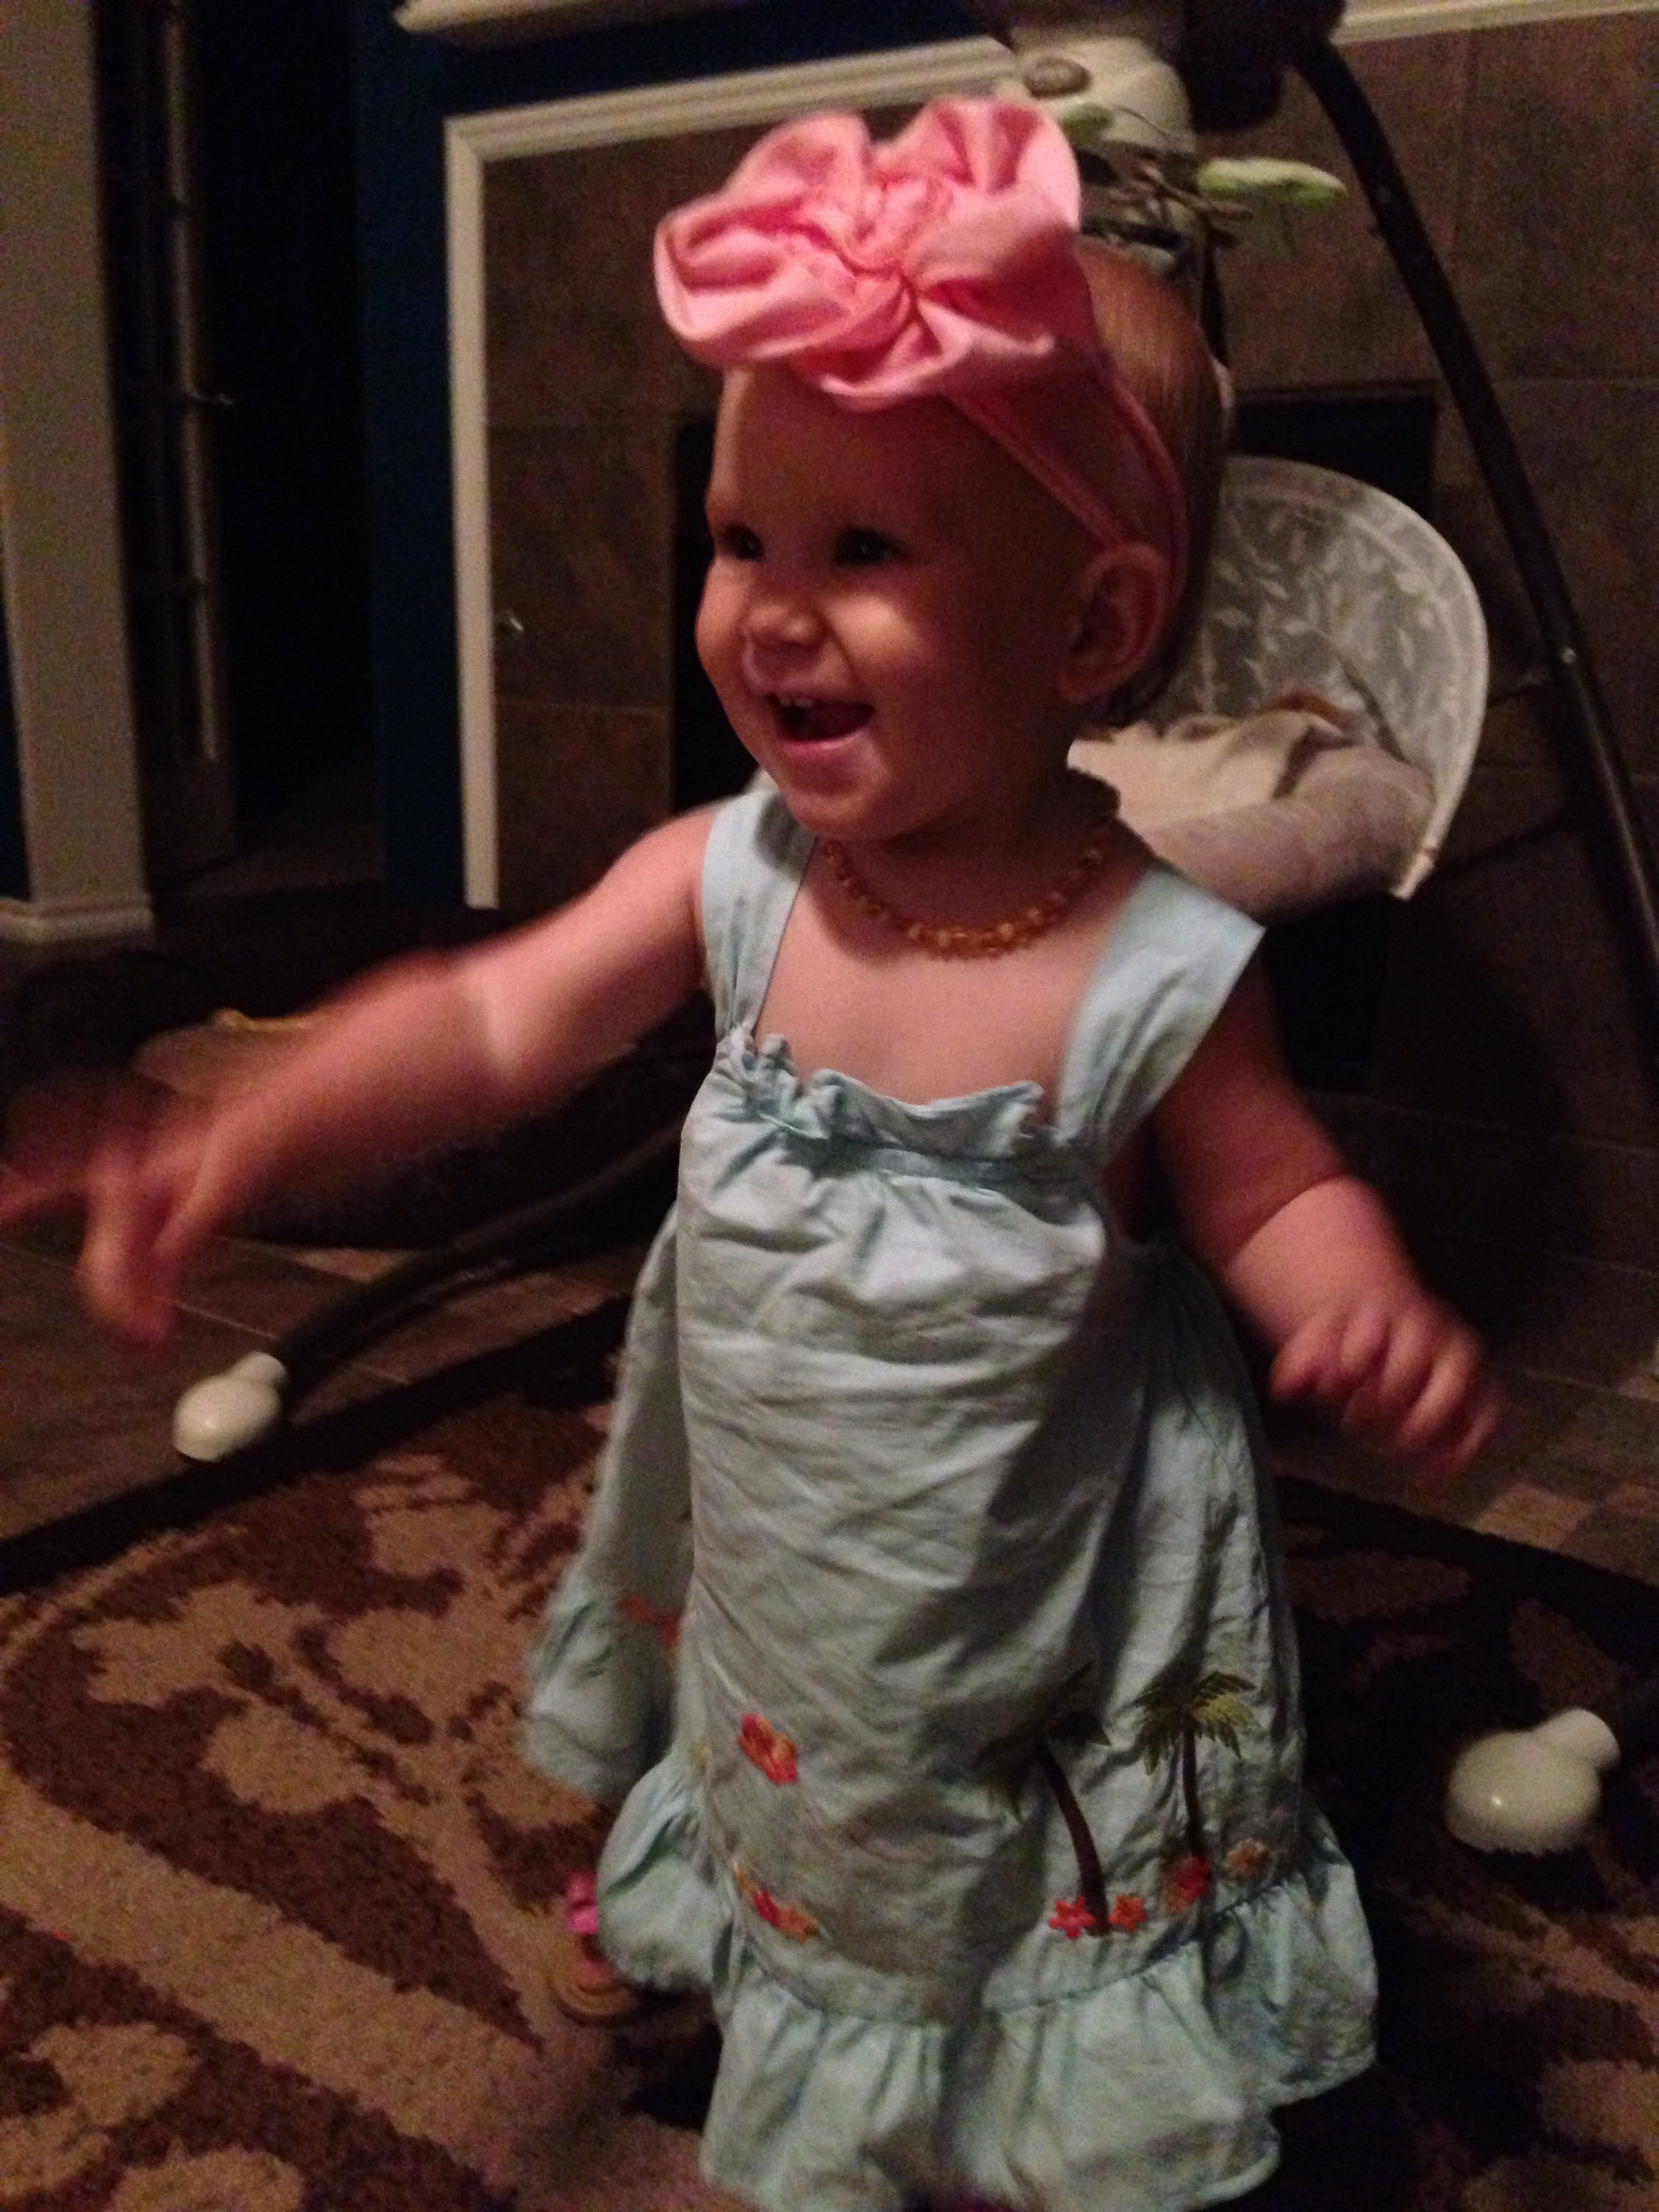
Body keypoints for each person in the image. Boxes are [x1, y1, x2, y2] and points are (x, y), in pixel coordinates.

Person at [1, 100, 1498, 2212]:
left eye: (860, 554)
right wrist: (254, 1118)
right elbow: (498, 1019)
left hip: (1029, 1554)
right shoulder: (729, 872)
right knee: (795, 1728)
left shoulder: (1158, 962)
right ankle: (743, 1904)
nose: (770, 614)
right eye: (740, 540)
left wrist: (1355, 1294)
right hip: (788, 1519)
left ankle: (995, 2058)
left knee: (975, 1797)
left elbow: (1267, 1190)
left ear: (1088, 627)